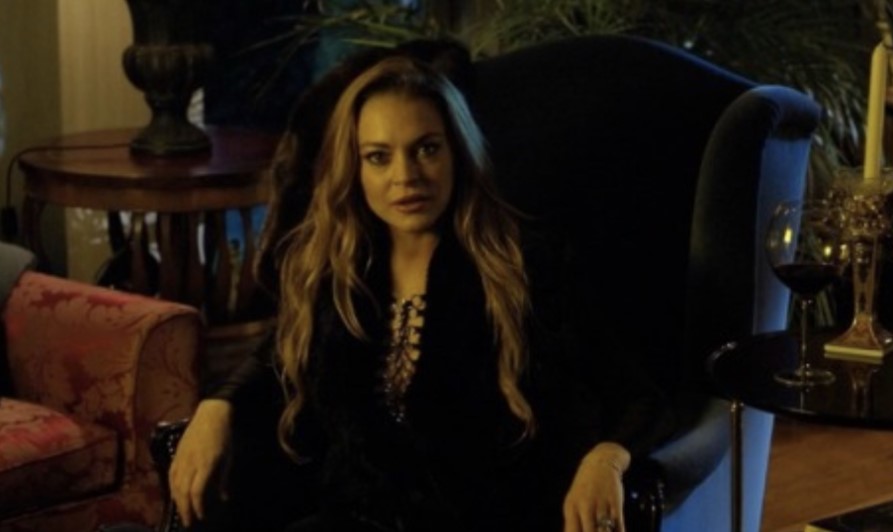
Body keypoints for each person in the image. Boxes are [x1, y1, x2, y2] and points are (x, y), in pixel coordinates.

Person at [169, 48, 675, 532]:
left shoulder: (526, 267)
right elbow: (277, 353)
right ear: (354, 168)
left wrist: (606, 459)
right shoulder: (337, 270)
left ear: (458, 153)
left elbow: (641, 396)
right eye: (378, 157)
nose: (405, 176)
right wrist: (218, 406)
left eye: (426, 149)